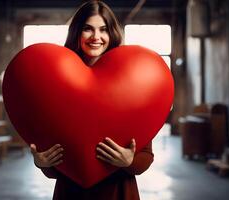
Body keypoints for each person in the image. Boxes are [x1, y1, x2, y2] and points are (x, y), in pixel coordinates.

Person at [30, 1, 153, 199]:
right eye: (88, 29)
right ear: (77, 33)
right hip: (71, 192)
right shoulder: (57, 82)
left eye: (103, 29)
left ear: (112, 34)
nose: (96, 37)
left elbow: (146, 156)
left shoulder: (130, 81)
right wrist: (43, 163)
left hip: (117, 191)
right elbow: (53, 156)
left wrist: (129, 162)